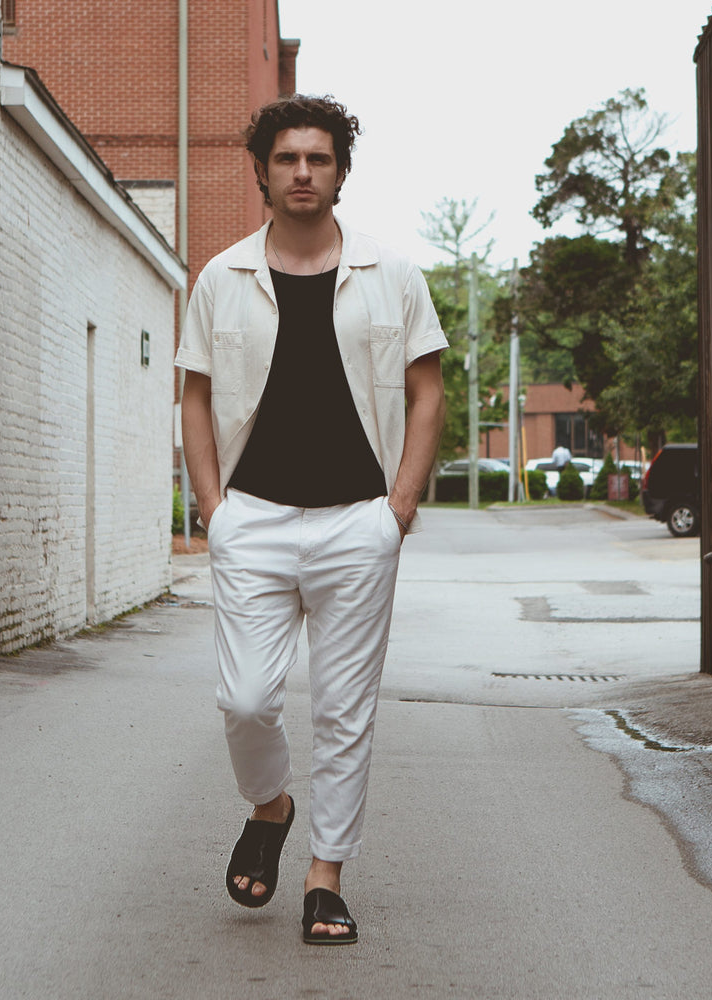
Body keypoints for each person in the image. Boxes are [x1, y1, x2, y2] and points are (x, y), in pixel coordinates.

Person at [175, 95, 447, 945]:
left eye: (318, 159)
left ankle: (326, 876)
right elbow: (195, 394)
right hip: (250, 518)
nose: (302, 172)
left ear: (339, 171)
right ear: (260, 169)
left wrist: (398, 505)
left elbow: (427, 390)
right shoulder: (221, 277)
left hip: (356, 522)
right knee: (246, 698)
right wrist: (213, 507)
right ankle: (271, 805)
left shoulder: (392, 275)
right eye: (287, 158)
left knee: (343, 707)